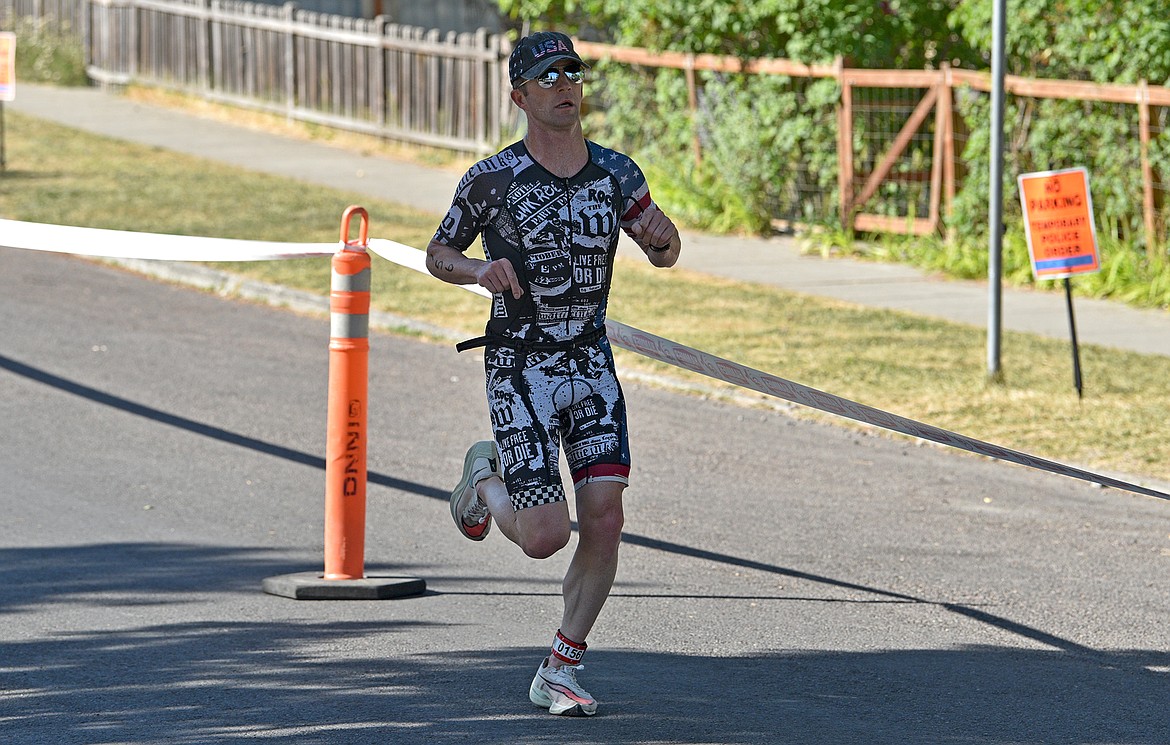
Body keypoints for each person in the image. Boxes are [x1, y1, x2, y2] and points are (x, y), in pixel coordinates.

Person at [426, 30, 681, 717]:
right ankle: (484, 475)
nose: (566, 84)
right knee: (544, 537)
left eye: (573, 72)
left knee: (606, 517)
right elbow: (437, 252)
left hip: (591, 362)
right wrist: (478, 268)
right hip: (521, 365)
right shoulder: (492, 179)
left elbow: (665, 247)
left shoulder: (616, 174)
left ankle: (561, 665)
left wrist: (661, 238)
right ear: (520, 96)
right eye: (549, 77)